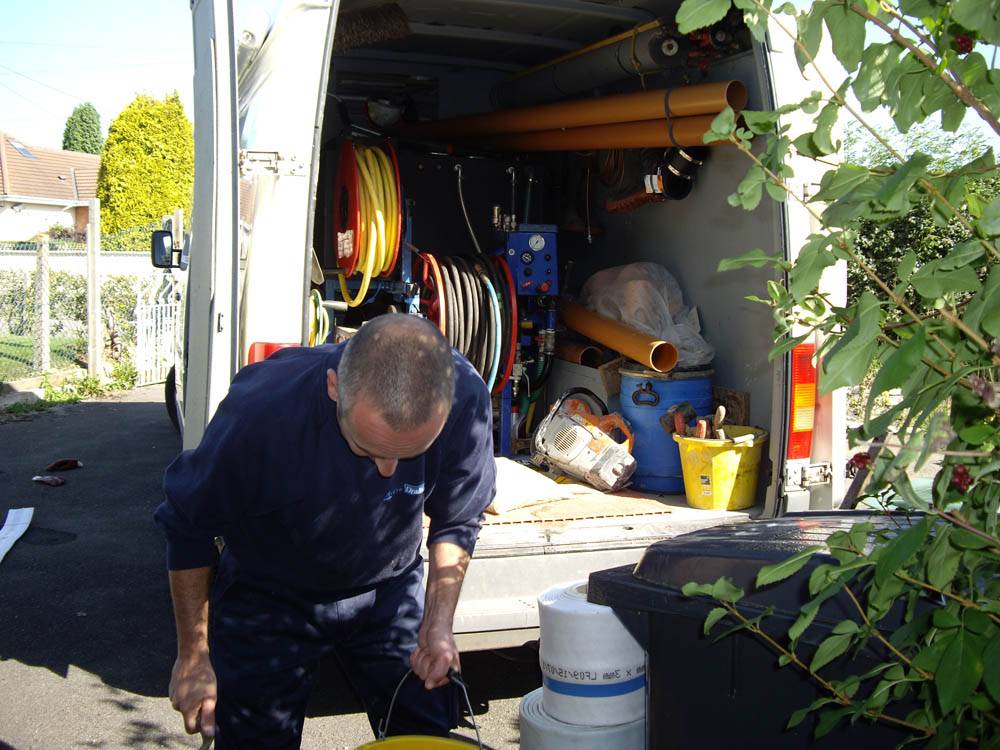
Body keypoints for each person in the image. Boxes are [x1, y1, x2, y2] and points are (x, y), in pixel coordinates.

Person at [154, 314, 496, 748]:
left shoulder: (465, 398)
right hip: (269, 597)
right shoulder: (262, 413)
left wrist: (438, 623)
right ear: (335, 388)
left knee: (424, 725)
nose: (387, 471)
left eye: (409, 454)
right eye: (367, 448)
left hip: (388, 592)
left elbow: (458, 518)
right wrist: (193, 655)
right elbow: (187, 526)